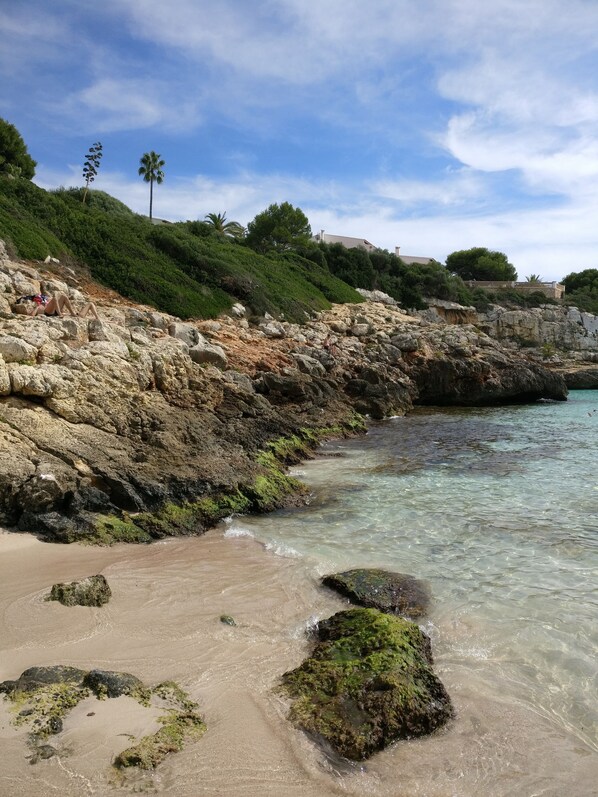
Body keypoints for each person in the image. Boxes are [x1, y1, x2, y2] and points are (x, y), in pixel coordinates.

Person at [13, 292, 100, 320]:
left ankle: (97, 318)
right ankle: (62, 314)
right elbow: (31, 316)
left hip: (54, 312)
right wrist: (37, 307)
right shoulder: (38, 306)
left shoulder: (39, 305)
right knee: (55, 298)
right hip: (50, 313)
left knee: (90, 304)